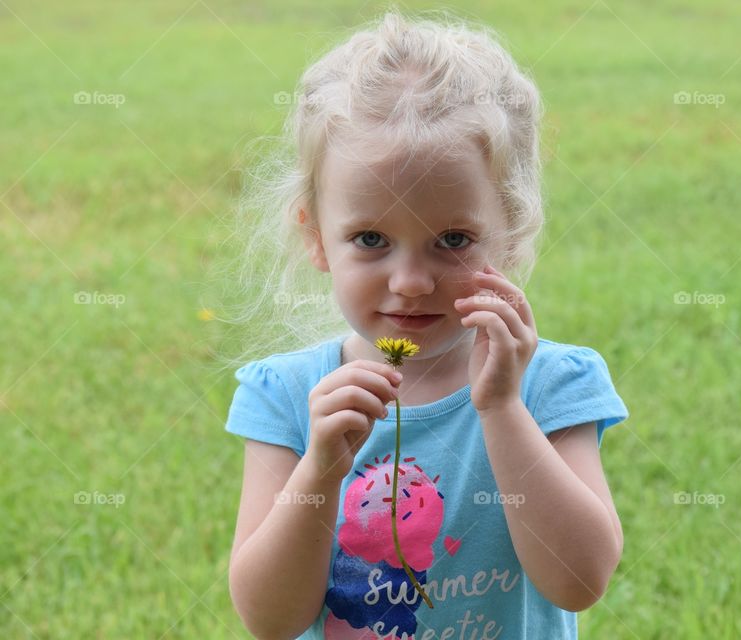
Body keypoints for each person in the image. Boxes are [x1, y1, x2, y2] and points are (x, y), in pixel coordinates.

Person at [224, 9, 629, 639]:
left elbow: (579, 581)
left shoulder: (550, 383)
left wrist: (501, 408)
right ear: (316, 238)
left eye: (453, 238)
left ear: (513, 230)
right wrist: (320, 471)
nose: (411, 280)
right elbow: (270, 620)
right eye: (370, 237)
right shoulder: (285, 397)